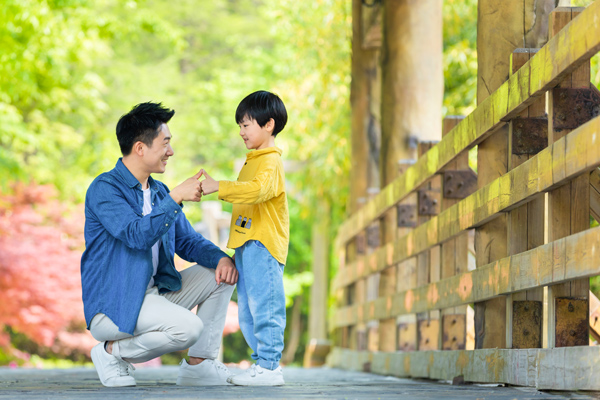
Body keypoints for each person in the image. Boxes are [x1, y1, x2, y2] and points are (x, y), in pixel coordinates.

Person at [80, 102, 238, 388]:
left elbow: (187, 241)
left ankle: (198, 366)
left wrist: (221, 258)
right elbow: (136, 235)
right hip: (115, 306)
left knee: (221, 275)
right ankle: (110, 352)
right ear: (140, 148)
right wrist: (176, 196)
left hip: (153, 297)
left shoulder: (158, 191)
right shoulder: (105, 190)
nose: (171, 151)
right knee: (188, 328)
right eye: (165, 143)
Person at [200, 90, 289, 386]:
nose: (241, 131)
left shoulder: (271, 162)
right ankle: (261, 364)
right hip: (247, 244)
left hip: (263, 244)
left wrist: (219, 187)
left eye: (246, 124)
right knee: (249, 310)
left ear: (269, 125)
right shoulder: (254, 159)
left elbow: (257, 191)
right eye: (239, 125)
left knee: (266, 304)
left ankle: (270, 367)